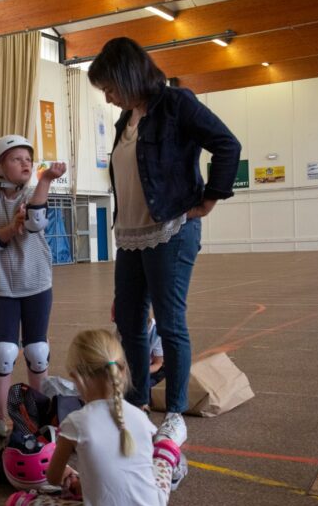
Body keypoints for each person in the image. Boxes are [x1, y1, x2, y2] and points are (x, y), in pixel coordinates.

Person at [89, 37, 241, 442]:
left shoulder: (177, 104)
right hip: (130, 235)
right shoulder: (126, 120)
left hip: (171, 231)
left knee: (170, 324)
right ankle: (138, 404)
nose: (107, 96)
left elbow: (228, 144)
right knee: (129, 323)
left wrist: (209, 199)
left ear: (126, 74)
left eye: (109, 86)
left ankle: (174, 414)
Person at [4, 328, 186, 506]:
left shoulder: (75, 422)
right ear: (122, 370)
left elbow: (52, 478)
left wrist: (70, 476)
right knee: (158, 468)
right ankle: (167, 447)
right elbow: (135, 472)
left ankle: (167, 449)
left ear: (76, 379)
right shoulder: (140, 417)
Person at [0, 135, 66, 440]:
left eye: (28, 158)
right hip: (3, 287)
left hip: (37, 282)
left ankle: (38, 413)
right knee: (4, 352)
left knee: (37, 351)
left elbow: (36, 222)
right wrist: (9, 228)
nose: (25, 162)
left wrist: (45, 180)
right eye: (16, 159)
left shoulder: (33, 193)